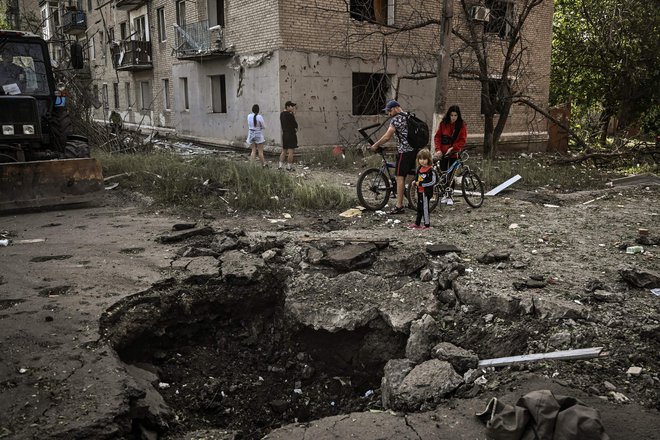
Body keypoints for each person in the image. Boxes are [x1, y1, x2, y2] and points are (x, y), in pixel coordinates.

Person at [370, 100, 416, 214]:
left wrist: (376, 145)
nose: (389, 114)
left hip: (404, 151)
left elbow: (387, 137)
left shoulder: (396, 119)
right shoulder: (409, 116)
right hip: (414, 150)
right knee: (412, 175)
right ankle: (413, 201)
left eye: (389, 111)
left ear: (396, 108)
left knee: (400, 177)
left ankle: (399, 206)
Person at [433, 105, 467, 205]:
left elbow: (462, 140)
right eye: (451, 115)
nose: (453, 117)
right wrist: (438, 149)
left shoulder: (461, 125)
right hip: (443, 152)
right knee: (443, 173)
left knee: (451, 174)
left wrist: (454, 148)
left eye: (455, 115)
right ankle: (444, 194)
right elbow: (437, 137)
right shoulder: (443, 124)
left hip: (453, 153)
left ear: (458, 115)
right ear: (449, 115)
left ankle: (450, 195)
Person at [409, 148, 436, 230]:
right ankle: (417, 223)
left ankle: (427, 224)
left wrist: (421, 184)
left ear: (428, 159)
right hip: (419, 192)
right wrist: (414, 182)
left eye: (424, 159)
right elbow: (417, 179)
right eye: (420, 159)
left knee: (425, 208)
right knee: (419, 207)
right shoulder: (419, 169)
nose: (422, 161)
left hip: (426, 192)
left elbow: (433, 182)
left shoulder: (431, 171)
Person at [279, 101, 298, 171]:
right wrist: (293, 115)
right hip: (291, 135)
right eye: (291, 106)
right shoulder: (290, 115)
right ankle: (289, 167)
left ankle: (280, 166)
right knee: (291, 152)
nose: (293, 107)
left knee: (284, 151)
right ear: (287, 107)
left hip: (284, 134)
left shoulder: (281, 114)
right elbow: (295, 125)